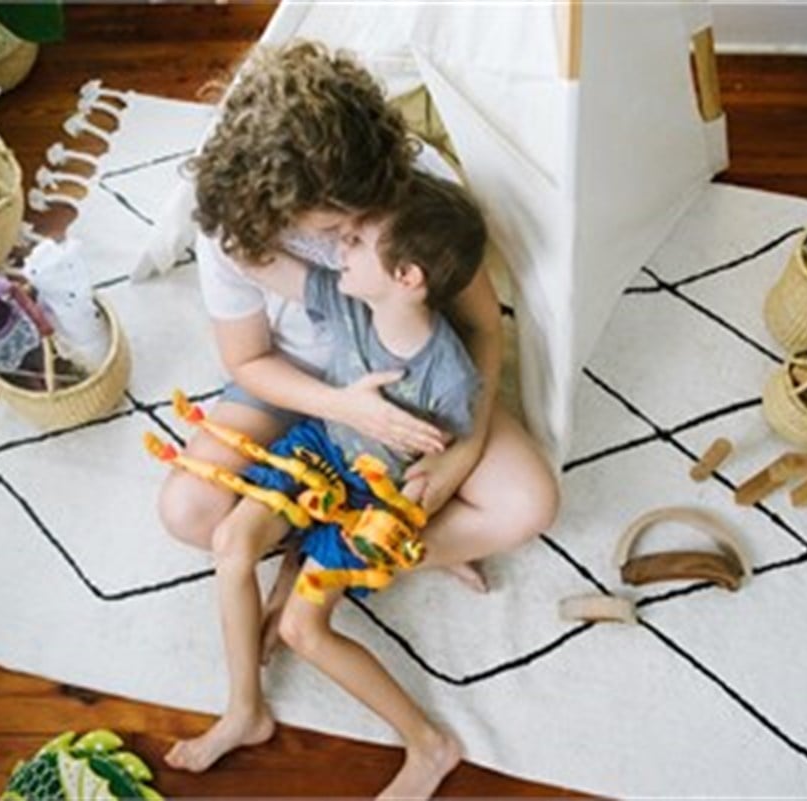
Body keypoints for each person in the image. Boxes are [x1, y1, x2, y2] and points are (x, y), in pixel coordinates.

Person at [159, 41, 557, 597]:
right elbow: (248, 359)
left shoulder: (409, 187)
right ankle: (343, 531)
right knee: (187, 511)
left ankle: (346, 552)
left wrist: (461, 456)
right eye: (331, 229)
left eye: (362, 222)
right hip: (297, 378)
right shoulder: (233, 227)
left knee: (528, 505)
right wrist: (344, 407)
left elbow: (483, 326)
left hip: (408, 386)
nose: (350, 235)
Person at [166, 172, 483, 801]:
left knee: (302, 631)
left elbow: (444, 462)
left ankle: (429, 743)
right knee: (231, 542)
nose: (340, 245)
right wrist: (223, 191)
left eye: (357, 241)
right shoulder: (345, 299)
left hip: (371, 500)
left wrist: (410, 527)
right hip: (319, 450)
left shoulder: (449, 378)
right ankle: (244, 711)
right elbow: (255, 259)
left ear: (407, 277)